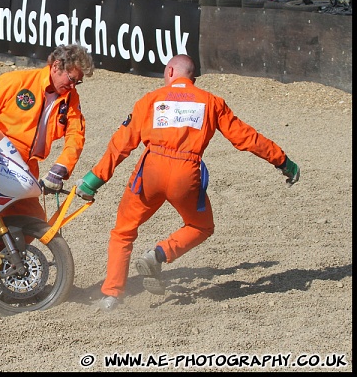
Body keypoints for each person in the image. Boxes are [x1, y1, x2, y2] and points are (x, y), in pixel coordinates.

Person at [74, 54, 301, 312]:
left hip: (151, 170)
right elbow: (247, 138)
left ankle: (111, 295)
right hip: (187, 172)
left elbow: (121, 144)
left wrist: (94, 179)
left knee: (123, 231)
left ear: (170, 71)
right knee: (201, 226)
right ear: (192, 76)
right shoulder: (212, 102)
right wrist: (283, 161)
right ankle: (159, 253)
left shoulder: (150, 100)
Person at [0, 44, 94, 221]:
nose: (73, 86)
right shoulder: (16, 81)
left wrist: (62, 166)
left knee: (34, 219)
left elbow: (75, 134)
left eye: (77, 82)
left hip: (27, 170)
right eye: (71, 79)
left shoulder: (70, 97)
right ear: (56, 66)